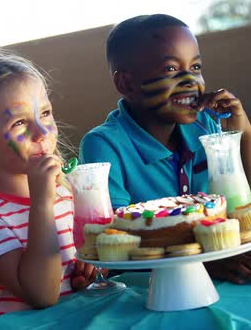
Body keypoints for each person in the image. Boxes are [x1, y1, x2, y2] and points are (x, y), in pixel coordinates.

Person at [79, 14, 251, 283]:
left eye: (195, 67)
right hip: (147, 287)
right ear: (125, 83)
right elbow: (117, 242)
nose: (191, 81)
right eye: (171, 69)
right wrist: (201, 262)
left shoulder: (207, 125)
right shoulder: (105, 145)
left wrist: (243, 132)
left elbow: (243, 203)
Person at [0, 50, 98, 323]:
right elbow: (41, 294)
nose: (43, 132)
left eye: (45, 113)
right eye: (20, 122)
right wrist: (41, 201)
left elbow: (69, 283)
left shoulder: (65, 193)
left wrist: (90, 271)